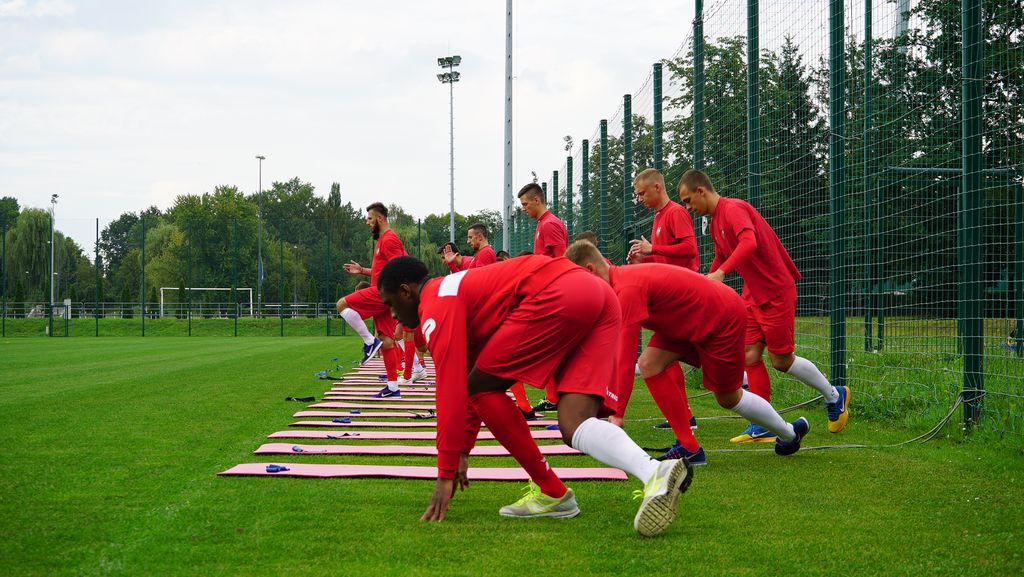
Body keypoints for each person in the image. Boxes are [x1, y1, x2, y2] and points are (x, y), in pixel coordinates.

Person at [378, 255, 692, 536]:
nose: (393, 315)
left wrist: (445, 472)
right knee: (574, 422)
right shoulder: (454, 292)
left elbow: (452, 391)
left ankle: (552, 490)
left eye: (390, 304)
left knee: (483, 387)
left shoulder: (435, 305)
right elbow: (471, 382)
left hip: (558, 292)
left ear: (407, 291)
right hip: (599, 294)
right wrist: (462, 451)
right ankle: (655, 471)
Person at [566, 240, 810, 465]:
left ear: (590, 270)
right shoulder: (618, 284)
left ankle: (790, 433)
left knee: (728, 398)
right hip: (689, 321)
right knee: (650, 364)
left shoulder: (626, 290)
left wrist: (617, 415)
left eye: (578, 282)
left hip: (721, 317)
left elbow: (624, 361)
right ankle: (689, 447)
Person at [677, 169, 850, 440]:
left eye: (688, 200)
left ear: (701, 190)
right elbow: (722, 254)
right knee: (749, 355)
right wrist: (707, 282)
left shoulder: (733, 209)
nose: (688, 208)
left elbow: (749, 242)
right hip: (752, 294)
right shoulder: (714, 222)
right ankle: (764, 424)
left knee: (781, 360)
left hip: (776, 290)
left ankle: (834, 395)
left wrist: (721, 273)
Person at [336, 202, 408, 398]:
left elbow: (400, 267)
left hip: (383, 291)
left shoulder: (389, 239)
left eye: (369, 218)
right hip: (383, 290)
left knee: (341, 304)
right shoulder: (383, 240)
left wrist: (396, 295)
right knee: (386, 340)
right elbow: (383, 270)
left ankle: (369, 342)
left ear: (380, 218)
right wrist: (362, 271)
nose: (367, 222)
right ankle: (393, 388)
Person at [627, 168, 699, 271]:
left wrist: (653, 248)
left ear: (657, 187)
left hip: (684, 279)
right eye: (638, 195)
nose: (640, 199)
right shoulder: (658, 216)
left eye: (642, 193)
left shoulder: (675, 211)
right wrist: (643, 260)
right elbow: (665, 259)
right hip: (670, 279)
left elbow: (690, 248)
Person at [518, 183, 568, 258]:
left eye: (525, 204)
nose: (523, 209)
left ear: (536, 200)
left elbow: (562, 259)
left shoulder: (549, 224)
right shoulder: (543, 222)